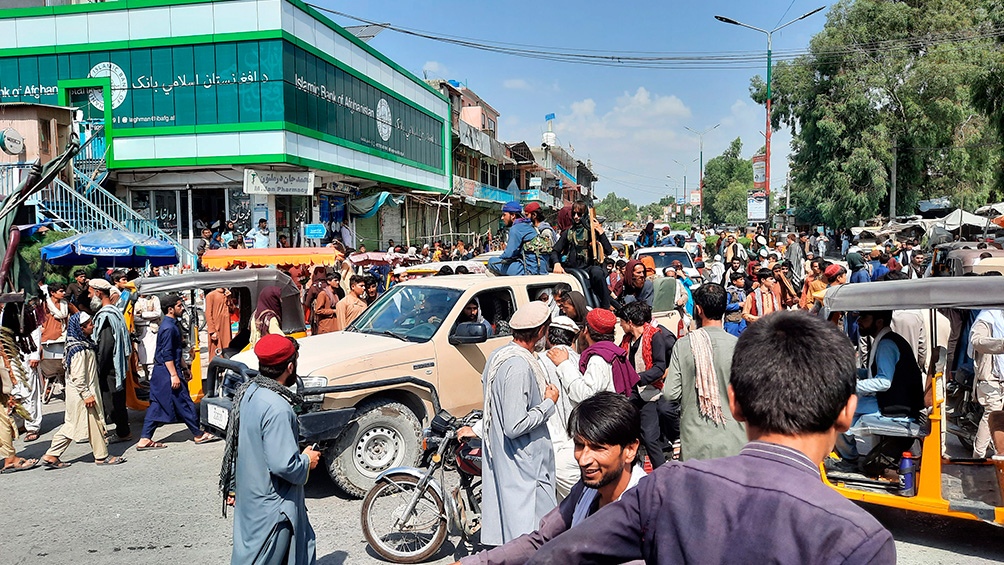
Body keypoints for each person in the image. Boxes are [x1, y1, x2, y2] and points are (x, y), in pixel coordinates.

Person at [527, 311, 896, 564]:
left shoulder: (668, 487)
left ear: (735, 402)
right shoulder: (859, 538)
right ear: (847, 411)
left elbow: (561, 552)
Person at [457, 392, 645, 565]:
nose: (584, 459)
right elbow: (541, 540)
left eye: (598, 448)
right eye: (579, 445)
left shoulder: (644, 510)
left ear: (630, 450)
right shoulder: (585, 490)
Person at [457, 302, 560, 546]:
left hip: (513, 460)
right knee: (531, 534)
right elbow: (514, 426)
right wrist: (548, 403)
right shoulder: (518, 366)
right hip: (524, 464)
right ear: (540, 331)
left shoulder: (500, 354)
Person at [221, 334, 320, 564]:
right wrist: (307, 460)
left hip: (250, 501)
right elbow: (283, 465)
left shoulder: (248, 391)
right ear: (290, 366)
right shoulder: (277, 407)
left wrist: (232, 485)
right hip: (272, 509)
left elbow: (236, 443)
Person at [831, 310, 925, 471]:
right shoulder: (888, 340)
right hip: (893, 400)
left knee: (837, 412)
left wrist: (851, 386)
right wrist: (853, 373)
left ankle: (848, 460)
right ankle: (848, 453)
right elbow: (876, 373)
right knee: (847, 409)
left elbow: (884, 382)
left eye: (864, 317)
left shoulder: (887, 345)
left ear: (879, 322)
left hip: (893, 405)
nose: (859, 321)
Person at [665, 283, 746, 460]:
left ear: (698, 309)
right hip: (735, 441)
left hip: (695, 442)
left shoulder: (684, 345)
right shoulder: (739, 346)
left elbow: (670, 393)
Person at [40, 312, 125, 468]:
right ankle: (55, 454)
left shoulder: (84, 344)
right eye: (90, 324)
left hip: (84, 393)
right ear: (81, 328)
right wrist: (86, 395)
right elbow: (78, 377)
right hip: (82, 394)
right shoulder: (79, 350)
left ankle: (97, 455)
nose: (93, 326)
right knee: (75, 425)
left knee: (90, 424)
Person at [136, 295, 217, 450]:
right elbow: (167, 354)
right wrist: (174, 375)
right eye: (179, 306)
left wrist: (185, 368)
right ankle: (198, 434)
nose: (182, 309)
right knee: (184, 402)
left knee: (157, 405)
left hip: (164, 372)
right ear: (170, 309)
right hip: (167, 372)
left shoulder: (171, 325)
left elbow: (176, 351)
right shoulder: (168, 328)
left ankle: (145, 438)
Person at [620, 301, 675, 468]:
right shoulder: (627, 340)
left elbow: (659, 367)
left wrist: (639, 377)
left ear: (630, 322)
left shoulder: (655, 336)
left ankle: (662, 472)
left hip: (650, 392)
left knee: (650, 437)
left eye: (622, 321)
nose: (620, 325)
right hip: (632, 392)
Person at [535, 315, 582, 499]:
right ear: (573, 339)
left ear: (548, 336)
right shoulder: (581, 360)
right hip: (579, 436)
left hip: (553, 440)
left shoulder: (537, 361)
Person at [547, 309, 632, 408]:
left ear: (586, 330)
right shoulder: (612, 351)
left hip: (606, 413)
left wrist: (564, 365)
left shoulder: (598, 359)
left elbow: (587, 395)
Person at [90, 278, 132, 443]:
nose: (89, 296)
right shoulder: (114, 311)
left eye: (90, 292)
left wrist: (99, 367)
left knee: (113, 402)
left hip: (110, 366)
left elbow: (106, 346)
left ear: (98, 293)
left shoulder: (106, 316)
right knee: (116, 400)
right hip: (115, 364)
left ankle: (123, 432)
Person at [551, 201, 613, 309]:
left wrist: (600, 232)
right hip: (573, 269)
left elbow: (608, 250)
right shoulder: (569, 232)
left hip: (589, 268)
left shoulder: (592, 231)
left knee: (597, 273)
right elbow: (555, 251)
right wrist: (557, 263)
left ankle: (605, 307)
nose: (576, 217)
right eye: (574, 214)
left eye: (579, 214)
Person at [969, 309, 1004, 459]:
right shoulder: (988, 317)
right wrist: (1001, 344)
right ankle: (978, 456)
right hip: (990, 377)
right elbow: (976, 341)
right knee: (993, 412)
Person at [488, 201, 544, 276]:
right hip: (540, 267)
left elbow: (508, 254)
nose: (502, 218)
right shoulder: (528, 225)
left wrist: (500, 259)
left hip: (528, 269)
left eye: (504, 215)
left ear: (513, 215)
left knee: (492, 262)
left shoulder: (516, 228)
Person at [133, 290, 162, 381]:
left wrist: (143, 315)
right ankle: (146, 378)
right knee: (143, 358)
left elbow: (158, 313)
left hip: (153, 330)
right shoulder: (134, 300)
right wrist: (148, 320)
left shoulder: (154, 298)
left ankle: (152, 378)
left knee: (152, 357)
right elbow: (134, 317)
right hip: (140, 332)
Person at [205, 287, 232, 362]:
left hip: (226, 328)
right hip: (216, 328)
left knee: (227, 347)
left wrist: (229, 298)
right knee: (216, 351)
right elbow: (208, 314)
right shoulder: (211, 295)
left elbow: (232, 310)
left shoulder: (227, 294)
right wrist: (212, 331)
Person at [724, 271, 747, 336]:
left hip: (742, 319)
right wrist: (738, 305)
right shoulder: (729, 292)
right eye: (741, 279)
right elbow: (725, 306)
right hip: (732, 320)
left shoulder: (742, 292)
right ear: (734, 281)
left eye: (743, 279)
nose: (743, 281)